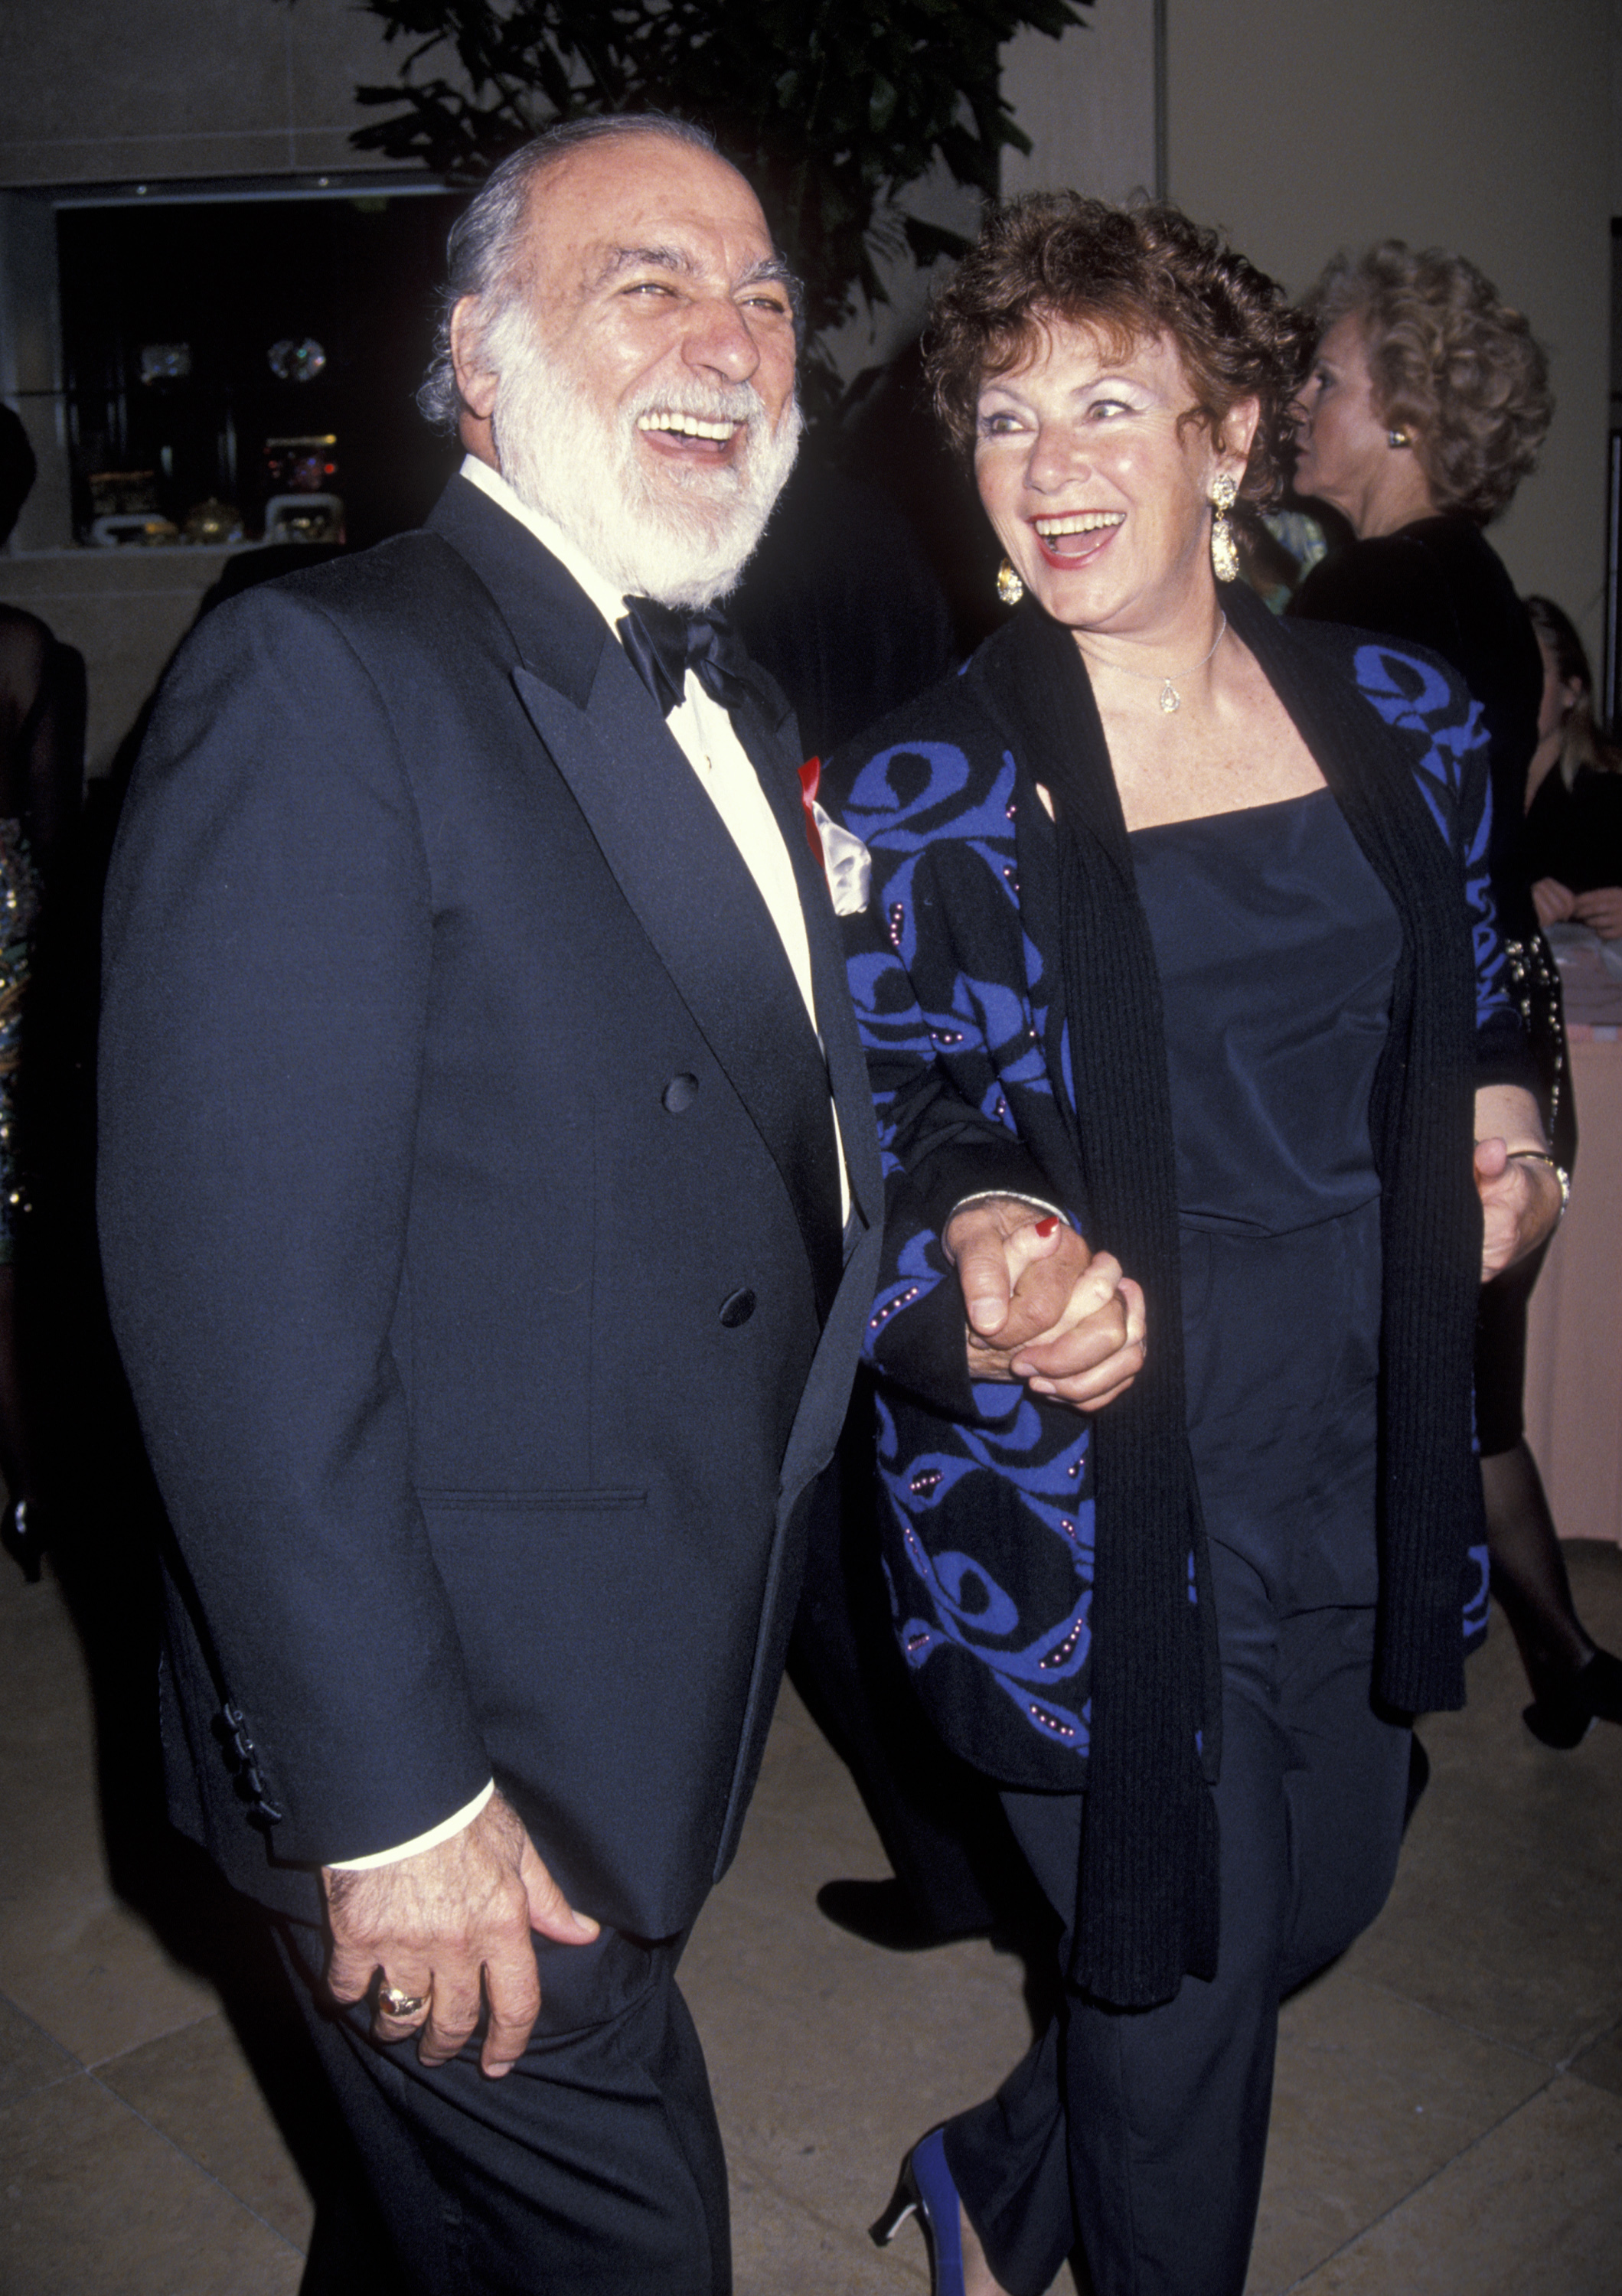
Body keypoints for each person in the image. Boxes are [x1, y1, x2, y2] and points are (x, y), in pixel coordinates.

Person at [96, 118, 1130, 2296]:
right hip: (448, 1752)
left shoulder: (733, 705)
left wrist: (958, 1268)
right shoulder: (324, 680)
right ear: (480, 360)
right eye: (642, 281)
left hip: (633, 1696)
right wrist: (386, 1811)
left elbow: (782, 1162)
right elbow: (236, 1316)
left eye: (761, 295)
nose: (730, 338)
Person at [823, 193, 1558, 2296]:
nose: (1045, 465)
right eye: (999, 414)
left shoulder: (1400, 718)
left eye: (1107, 405)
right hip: (1088, 1482)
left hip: (1351, 1425)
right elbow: (870, 1128)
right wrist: (978, 1232)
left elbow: (1484, 979)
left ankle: (994, 2170)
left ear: (1226, 439)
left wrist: (1507, 1112)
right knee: (1180, 1979)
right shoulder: (920, 790)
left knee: (1307, 1901)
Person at [1288, 243, 1622, 1750]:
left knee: (1427, 1395)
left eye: (1329, 378)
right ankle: (1562, 1661)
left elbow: (1331, 853)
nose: (1302, 398)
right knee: (1469, 1395)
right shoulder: (1467, 580)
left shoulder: (1372, 590)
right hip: (1499, 1022)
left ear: (1405, 415)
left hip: (1426, 1036)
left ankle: (1398, 1705)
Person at [0, 404, 84, 1580]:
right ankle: (33, 1497)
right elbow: (60, 854)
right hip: (12, 983)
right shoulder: (24, 651)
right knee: (13, 1267)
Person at [1524, 591, 1622, 944]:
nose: (1515, 685)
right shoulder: (1470, 785)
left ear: (1571, 691)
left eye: (1533, 670)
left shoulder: (1606, 788)